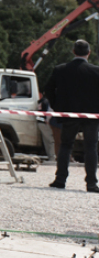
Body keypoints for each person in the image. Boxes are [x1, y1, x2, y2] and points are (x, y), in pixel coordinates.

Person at [45, 39, 99, 192]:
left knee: (66, 146)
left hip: (69, 114)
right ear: (88, 53)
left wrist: (58, 107)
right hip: (91, 115)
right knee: (91, 148)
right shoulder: (96, 71)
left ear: (73, 52)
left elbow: (48, 89)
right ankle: (91, 183)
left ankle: (60, 180)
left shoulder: (60, 69)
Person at [36, 92, 56, 161]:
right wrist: (48, 121)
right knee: (51, 141)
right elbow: (49, 113)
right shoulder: (46, 101)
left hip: (39, 122)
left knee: (46, 141)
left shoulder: (40, 102)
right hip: (44, 123)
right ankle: (52, 158)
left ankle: (49, 156)